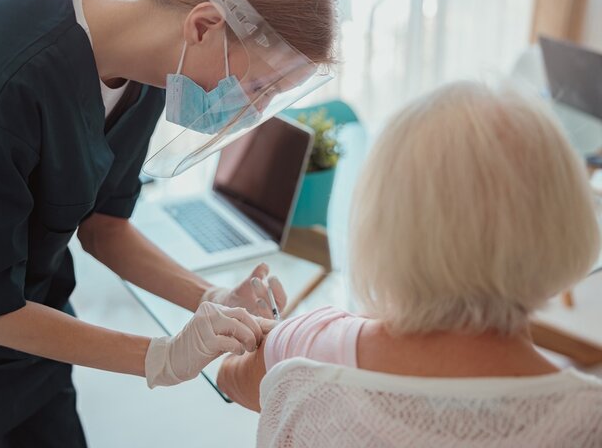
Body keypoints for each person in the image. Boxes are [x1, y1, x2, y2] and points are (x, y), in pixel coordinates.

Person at [0, 0, 337, 446]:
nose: (252, 109)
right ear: (203, 26)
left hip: (35, 341)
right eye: (259, 86)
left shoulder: (147, 73)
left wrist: (212, 300)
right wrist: (160, 356)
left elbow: (104, 226)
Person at [218, 81, 602, 447]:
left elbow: (230, 379)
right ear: (564, 219)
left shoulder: (307, 344)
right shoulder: (590, 420)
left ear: (383, 223)